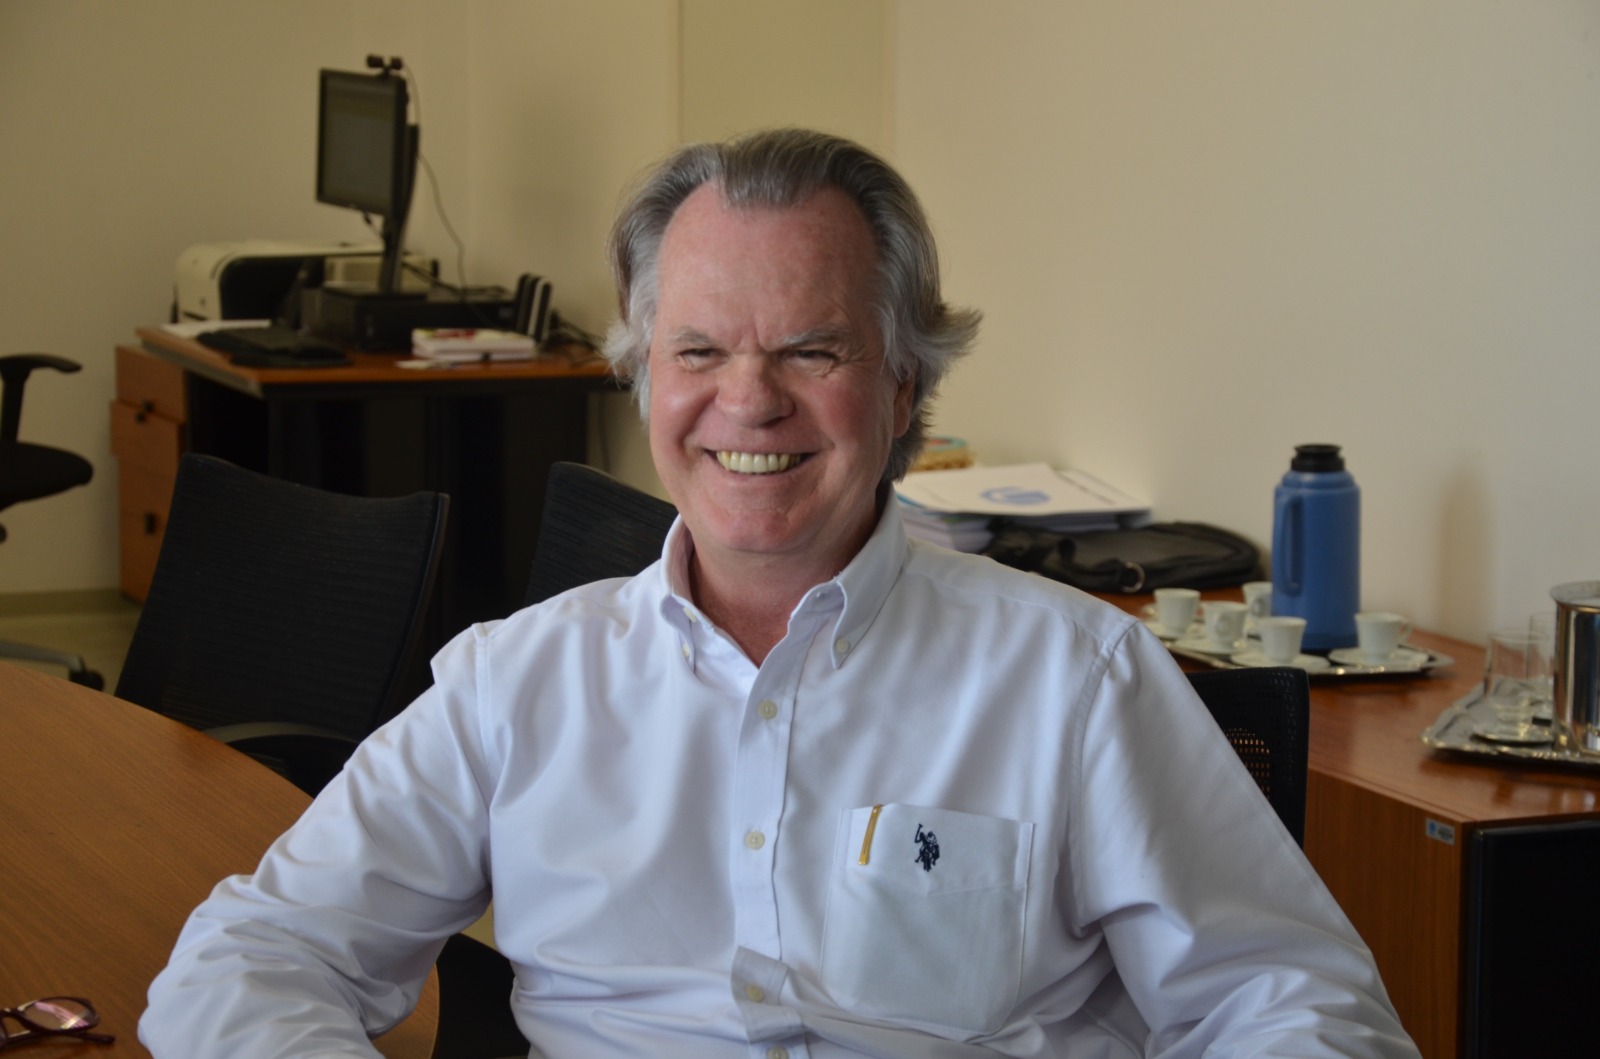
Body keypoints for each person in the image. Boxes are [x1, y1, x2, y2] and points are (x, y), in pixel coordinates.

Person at [142, 128, 1420, 1058]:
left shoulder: (1074, 679)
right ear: (645, 380)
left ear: (904, 387)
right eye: (698, 349)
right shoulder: (516, 682)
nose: (746, 402)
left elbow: (1298, 1010)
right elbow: (250, 958)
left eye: (812, 350)